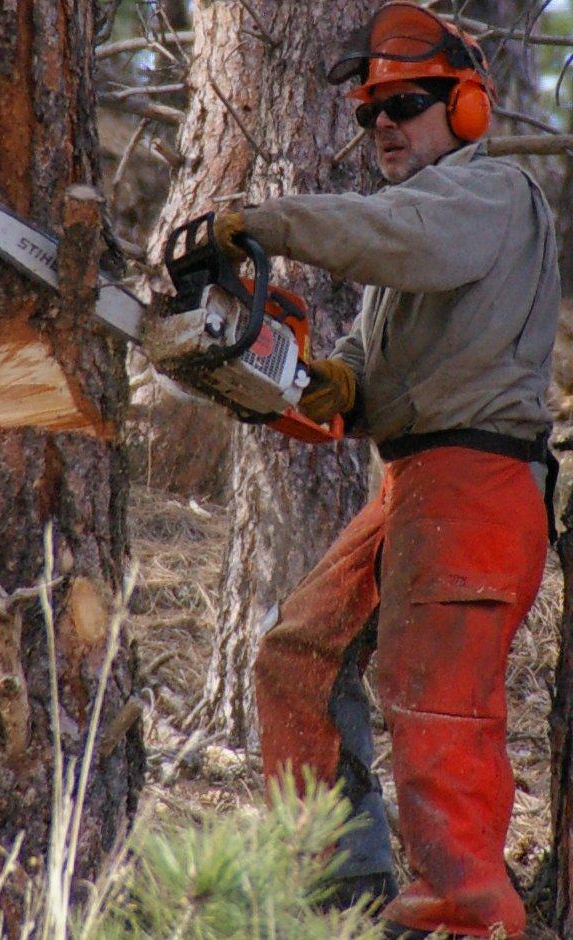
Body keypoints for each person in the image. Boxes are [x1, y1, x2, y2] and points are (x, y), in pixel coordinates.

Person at [213, 4, 561, 938]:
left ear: (471, 109)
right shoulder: (418, 232)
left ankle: (467, 916)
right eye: (373, 112)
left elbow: (397, 235)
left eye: (406, 103)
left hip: (478, 485)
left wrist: (264, 222)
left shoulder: (489, 197)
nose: (384, 125)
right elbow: (376, 359)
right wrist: (330, 385)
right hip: (409, 485)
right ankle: (338, 887)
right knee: (298, 653)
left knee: (437, 706)